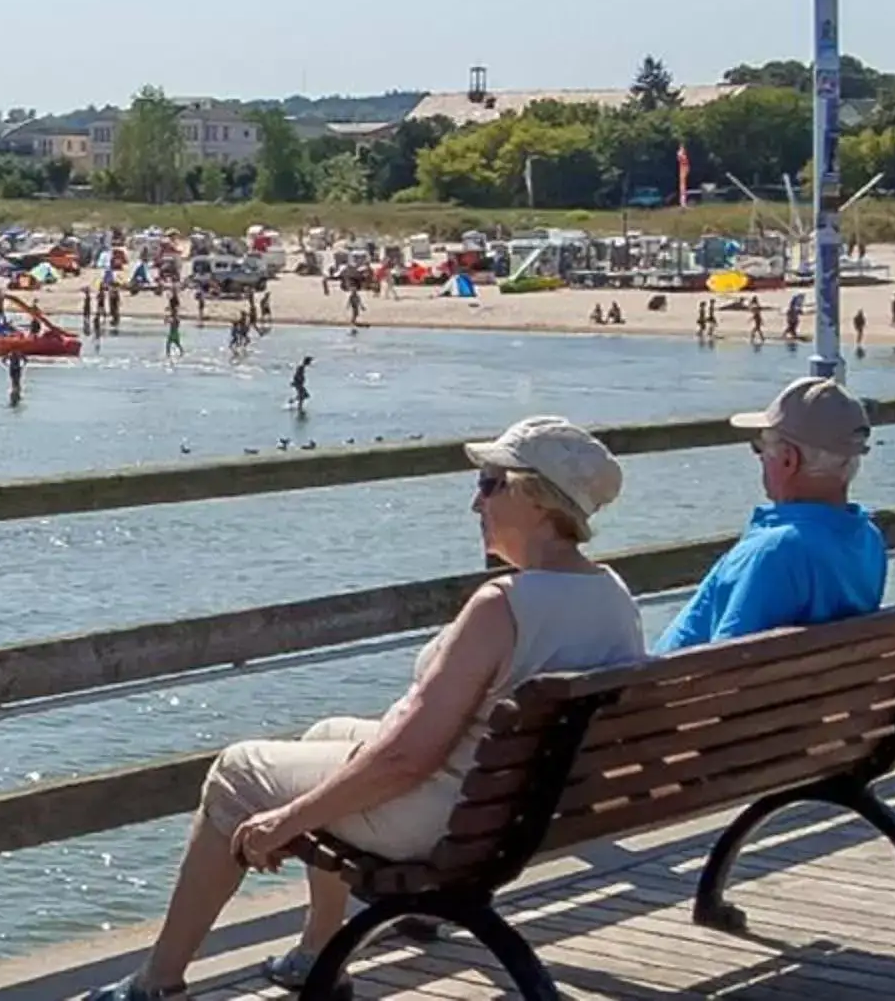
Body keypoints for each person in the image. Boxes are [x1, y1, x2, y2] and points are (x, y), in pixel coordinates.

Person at [79, 418, 643, 1001]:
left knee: (235, 772)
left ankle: (157, 983)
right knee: (327, 732)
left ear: (533, 497)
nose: (476, 501)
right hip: (520, 811)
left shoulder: (503, 606)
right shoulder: (613, 596)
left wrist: (285, 820)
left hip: (448, 822)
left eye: (490, 482)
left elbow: (405, 759)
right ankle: (318, 954)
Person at [655, 379, 887, 651]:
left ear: (789, 460)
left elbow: (725, 666)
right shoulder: (868, 541)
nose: (760, 459)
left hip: (683, 690)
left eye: (760, 449)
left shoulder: (775, 552)